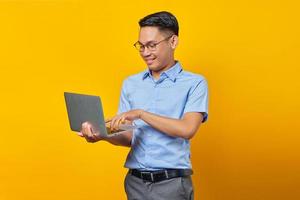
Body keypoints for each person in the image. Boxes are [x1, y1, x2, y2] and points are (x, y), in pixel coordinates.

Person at [79, 11, 209, 200]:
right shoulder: (131, 84)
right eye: (141, 46)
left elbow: (187, 129)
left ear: (173, 42)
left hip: (171, 185)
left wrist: (141, 114)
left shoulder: (195, 83)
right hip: (135, 183)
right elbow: (129, 136)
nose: (145, 52)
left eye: (152, 45)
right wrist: (102, 135)